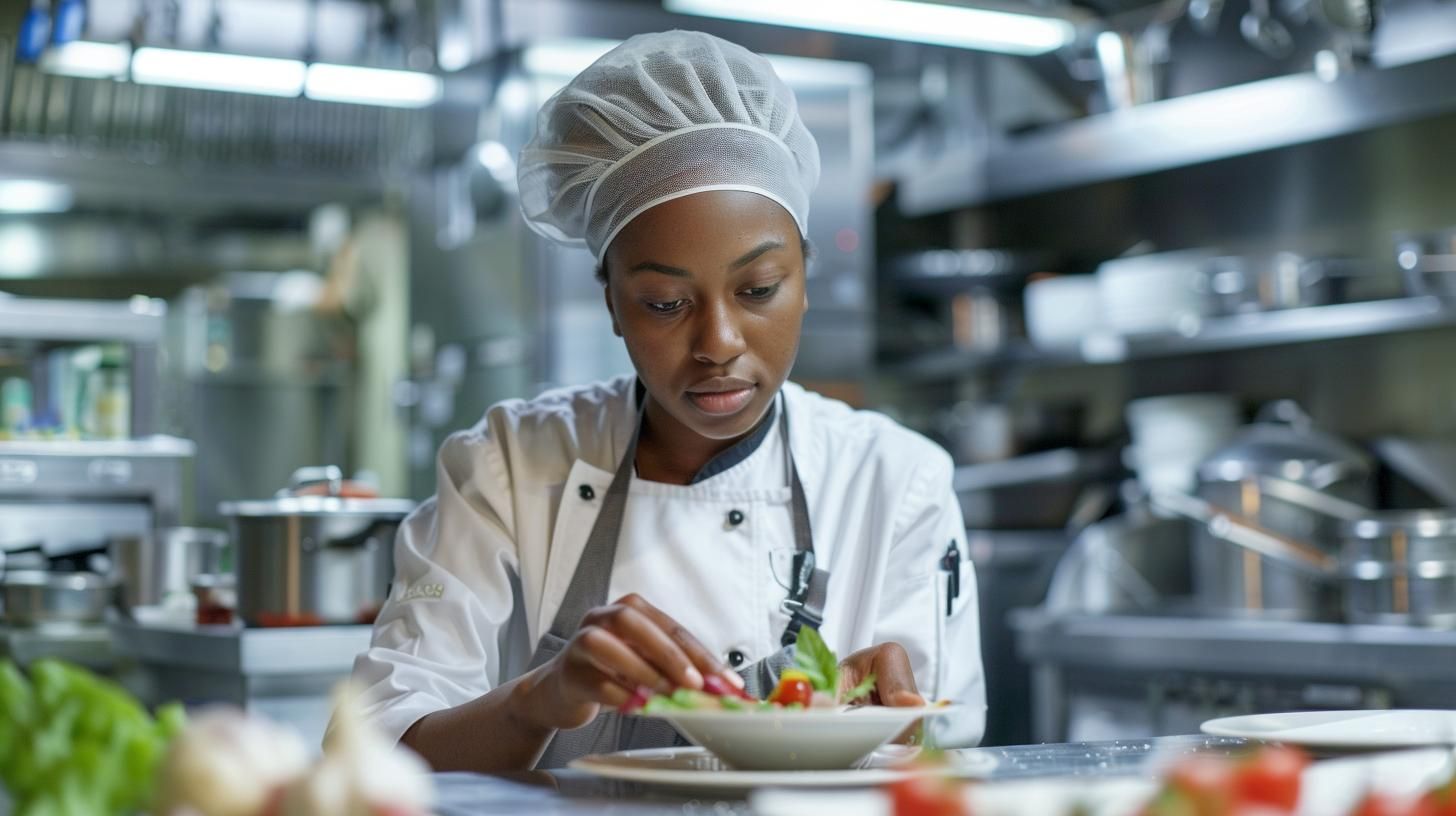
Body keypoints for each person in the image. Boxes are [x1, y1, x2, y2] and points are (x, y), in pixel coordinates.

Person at [349, 30, 985, 772]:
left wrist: (897, 733)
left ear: (805, 278)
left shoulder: (894, 480)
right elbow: (373, 754)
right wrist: (542, 697)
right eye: (663, 303)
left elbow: (944, 760)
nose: (717, 342)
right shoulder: (509, 469)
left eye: (758, 290)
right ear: (612, 305)